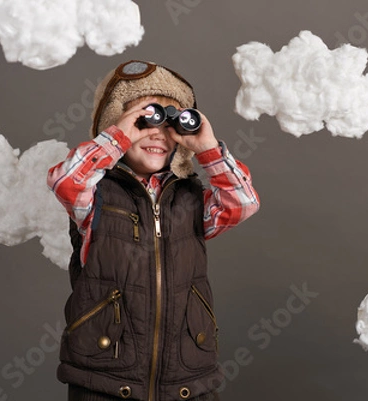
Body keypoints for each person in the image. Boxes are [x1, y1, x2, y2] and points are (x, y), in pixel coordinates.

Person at [47, 60, 260, 401]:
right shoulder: (97, 197)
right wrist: (119, 135)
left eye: (171, 121)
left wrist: (206, 148)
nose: (158, 133)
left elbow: (243, 202)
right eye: (146, 119)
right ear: (116, 121)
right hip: (106, 377)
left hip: (187, 377)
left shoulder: (190, 199)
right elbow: (65, 181)